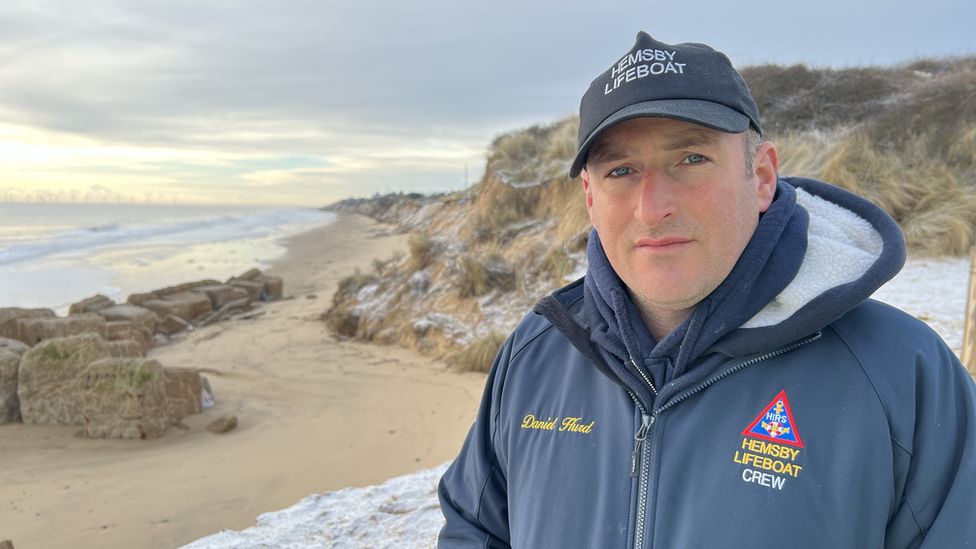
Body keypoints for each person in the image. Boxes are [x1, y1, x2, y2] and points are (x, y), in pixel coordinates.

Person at [437, 31, 976, 548]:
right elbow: (474, 527)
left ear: (762, 176)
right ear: (589, 198)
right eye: (621, 170)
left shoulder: (899, 373)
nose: (653, 207)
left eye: (691, 159)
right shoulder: (536, 354)